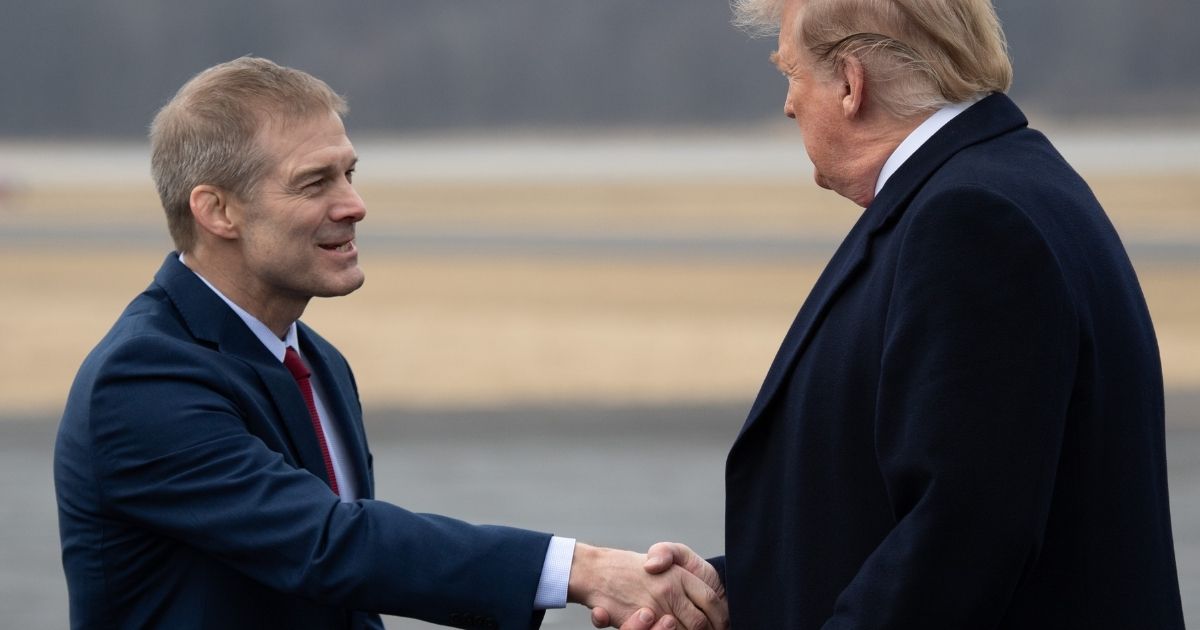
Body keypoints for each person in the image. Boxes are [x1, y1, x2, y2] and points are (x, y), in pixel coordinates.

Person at [53, 56, 728, 630]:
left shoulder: (314, 360)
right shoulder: (143, 380)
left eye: (349, 173)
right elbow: (330, 547)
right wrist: (579, 569)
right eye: (315, 182)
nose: (353, 204)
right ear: (217, 211)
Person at [601, 0, 1187, 628]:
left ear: (852, 83)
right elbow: (906, 509)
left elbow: (956, 549)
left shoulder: (970, 221)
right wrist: (733, 589)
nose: (788, 104)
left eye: (791, 73)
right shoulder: (1006, 182)